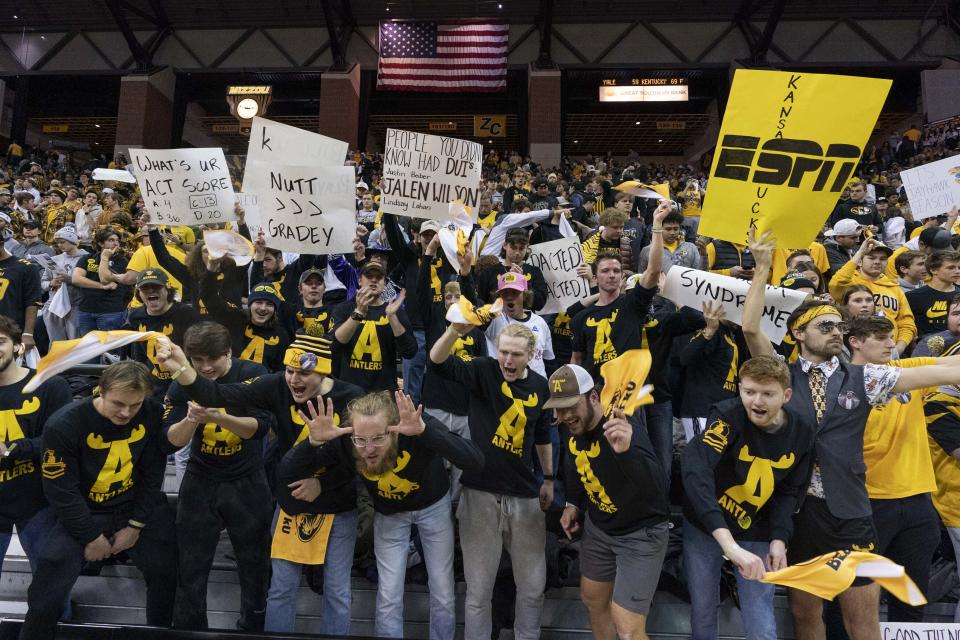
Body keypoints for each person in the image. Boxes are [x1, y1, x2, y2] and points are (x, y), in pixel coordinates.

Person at [742, 229, 960, 640]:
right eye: (824, 325)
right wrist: (761, 269)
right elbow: (752, 328)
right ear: (797, 335)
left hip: (853, 512)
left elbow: (945, 370)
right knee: (808, 619)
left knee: (862, 620)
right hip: (798, 511)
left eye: (838, 326)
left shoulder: (866, 377)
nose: (835, 330)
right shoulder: (781, 376)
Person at [154, 332, 363, 635]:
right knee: (280, 587)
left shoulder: (351, 398)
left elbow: (365, 458)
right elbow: (216, 395)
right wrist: (181, 367)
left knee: (337, 592)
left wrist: (324, 484)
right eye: (290, 371)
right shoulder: (275, 384)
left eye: (304, 372)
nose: (294, 380)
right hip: (290, 498)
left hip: (336, 502)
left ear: (324, 371)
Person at [281, 390, 484, 640]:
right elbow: (287, 473)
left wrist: (426, 432)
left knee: (442, 590)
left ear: (393, 429)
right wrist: (312, 443)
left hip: (432, 506)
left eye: (378, 438)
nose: (369, 449)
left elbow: (475, 460)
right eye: (361, 440)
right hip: (390, 515)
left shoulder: (415, 424)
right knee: (388, 594)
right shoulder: (347, 440)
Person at [19, 361, 178, 640]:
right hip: (83, 510)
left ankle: (160, 632)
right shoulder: (64, 424)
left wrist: (135, 525)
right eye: (118, 403)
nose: (126, 412)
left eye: (135, 404)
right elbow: (60, 489)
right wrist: (90, 537)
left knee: (168, 571)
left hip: (133, 506)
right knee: (47, 586)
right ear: (100, 391)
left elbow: (154, 472)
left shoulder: (152, 413)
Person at [429, 322, 554, 640]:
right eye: (503, 352)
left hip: (524, 495)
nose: (508, 361)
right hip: (479, 493)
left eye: (515, 354)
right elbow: (437, 361)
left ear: (531, 354)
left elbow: (541, 434)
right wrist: (454, 332)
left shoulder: (541, 386)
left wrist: (549, 478)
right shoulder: (484, 369)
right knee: (477, 593)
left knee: (532, 589)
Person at [682, 355, 814, 640]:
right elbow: (696, 471)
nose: (757, 402)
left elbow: (790, 490)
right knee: (703, 605)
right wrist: (728, 543)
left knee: (759, 609)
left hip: (757, 525)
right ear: (739, 388)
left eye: (768, 394)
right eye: (749, 391)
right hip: (706, 524)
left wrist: (780, 538)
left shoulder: (803, 431)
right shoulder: (727, 416)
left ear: (786, 395)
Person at [161, 322, 272, 630]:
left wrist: (221, 416)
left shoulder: (254, 373)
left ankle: (252, 629)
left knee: (255, 569)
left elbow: (260, 428)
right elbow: (171, 440)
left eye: (214, 359)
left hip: (247, 480)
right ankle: (191, 629)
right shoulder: (180, 382)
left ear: (229, 353)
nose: (206, 367)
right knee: (191, 568)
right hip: (201, 479)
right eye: (198, 361)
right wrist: (192, 421)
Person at [550, 364, 670, 640]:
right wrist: (573, 504)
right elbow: (573, 458)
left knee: (627, 627)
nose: (564, 415)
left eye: (570, 406)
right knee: (592, 600)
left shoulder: (622, 428)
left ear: (593, 397)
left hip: (640, 533)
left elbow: (659, 492)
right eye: (558, 408)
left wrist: (627, 454)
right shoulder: (574, 425)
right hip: (600, 528)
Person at [846, 315, 940, 624]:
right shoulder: (842, 383)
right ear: (855, 341)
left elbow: (950, 367)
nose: (890, 343)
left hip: (918, 502)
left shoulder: (905, 371)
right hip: (869, 504)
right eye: (880, 337)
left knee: (911, 600)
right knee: (855, 600)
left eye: (891, 336)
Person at [0, 315, 72, 575]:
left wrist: (13, 449)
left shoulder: (50, 386)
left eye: (1, 341)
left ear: (19, 346)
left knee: (52, 586)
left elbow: (63, 443)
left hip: (39, 500)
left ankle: (55, 618)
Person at [571, 200, 669, 381]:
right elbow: (576, 360)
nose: (611, 275)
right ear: (594, 277)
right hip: (595, 393)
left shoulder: (632, 305)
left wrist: (657, 225)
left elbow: (653, 270)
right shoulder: (581, 317)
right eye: (605, 271)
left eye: (616, 271)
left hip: (627, 394)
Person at [333, 261, 416, 391]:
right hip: (349, 391)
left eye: (379, 277)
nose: (373, 280)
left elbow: (410, 352)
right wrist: (359, 312)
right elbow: (334, 345)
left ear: (384, 283)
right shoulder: (344, 309)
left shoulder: (394, 311)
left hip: (384, 393)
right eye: (369, 276)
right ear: (360, 280)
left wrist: (393, 318)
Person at [828, 237, 916, 355]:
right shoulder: (850, 282)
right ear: (860, 260)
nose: (877, 262)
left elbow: (906, 322)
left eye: (883, 259)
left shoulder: (894, 287)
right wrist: (860, 252)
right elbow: (835, 284)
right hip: (856, 350)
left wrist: (899, 348)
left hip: (889, 350)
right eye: (871, 257)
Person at [121, 268, 201, 397]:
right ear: (139, 293)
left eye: (156, 286)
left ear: (167, 289)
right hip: (153, 387)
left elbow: (198, 355)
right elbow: (140, 354)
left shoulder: (186, 314)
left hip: (184, 383)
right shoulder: (136, 316)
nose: (150, 290)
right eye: (145, 288)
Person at [483, 271, 554, 379]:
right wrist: (466, 275)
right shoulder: (494, 320)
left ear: (525, 295)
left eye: (515, 292)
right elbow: (472, 306)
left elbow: (549, 360)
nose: (510, 297)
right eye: (505, 293)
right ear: (499, 297)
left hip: (537, 388)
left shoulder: (540, 322)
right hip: (506, 387)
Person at [71, 226, 130, 334]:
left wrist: (104, 257)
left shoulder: (121, 260)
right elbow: (76, 279)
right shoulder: (87, 258)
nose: (116, 244)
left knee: (110, 349)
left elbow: (105, 279)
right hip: (86, 310)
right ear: (101, 243)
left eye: (117, 240)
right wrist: (101, 287)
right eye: (111, 240)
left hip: (111, 311)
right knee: (88, 347)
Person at [907, 250, 960, 337]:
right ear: (933, 270)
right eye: (951, 268)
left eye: (959, 268)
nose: (957, 271)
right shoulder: (912, 297)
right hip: (923, 347)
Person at [636, 207, 700, 273]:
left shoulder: (691, 248)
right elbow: (641, 278)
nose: (672, 233)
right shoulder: (648, 251)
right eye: (668, 229)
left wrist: (704, 256)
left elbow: (701, 274)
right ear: (659, 228)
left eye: (675, 229)